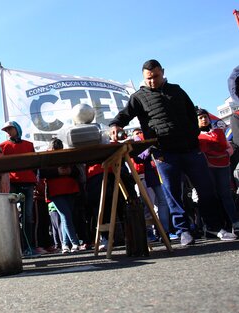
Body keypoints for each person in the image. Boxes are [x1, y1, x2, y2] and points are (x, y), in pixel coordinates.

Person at [109, 59, 236, 245]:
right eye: (148, 78)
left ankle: (214, 227)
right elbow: (125, 114)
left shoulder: (176, 90)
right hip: (164, 153)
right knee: (172, 194)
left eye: (156, 77)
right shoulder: (138, 97)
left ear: (163, 72)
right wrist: (115, 124)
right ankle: (183, 230)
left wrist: (192, 135)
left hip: (190, 149)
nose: (152, 81)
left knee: (207, 189)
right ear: (144, 77)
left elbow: (192, 113)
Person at [0, 121, 42, 255]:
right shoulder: (3, 146)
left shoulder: (29, 145)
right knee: (12, 216)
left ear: (17, 129)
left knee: (28, 216)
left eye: (10, 129)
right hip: (12, 183)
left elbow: (35, 164)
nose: (8, 132)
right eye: (6, 130)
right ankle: (15, 247)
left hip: (28, 183)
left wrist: (35, 181)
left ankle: (29, 246)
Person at [197, 108, 239, 235]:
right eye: (200, 117)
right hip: (207, 169)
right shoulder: (196, 136)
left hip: (223, 166)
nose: (204, 119)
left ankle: (235, 223)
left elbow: (230, 148)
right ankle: (216, 226)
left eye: (205, 117)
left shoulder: (218, 132)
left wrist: (225, 154)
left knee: (226, 195)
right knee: (212, 197)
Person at [39, 138, 84, 253]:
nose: (57, 149)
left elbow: (77, 172)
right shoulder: (45, 157)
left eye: (59, 148)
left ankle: (65, 244)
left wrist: (69, 171)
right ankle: (74, 243)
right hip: (56, 191)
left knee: (66, 218)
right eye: (55, 148)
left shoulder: (67, 155)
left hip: (70, 188)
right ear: (50, 148)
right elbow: (42, 173)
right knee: (66, 216)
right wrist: (58, 172)